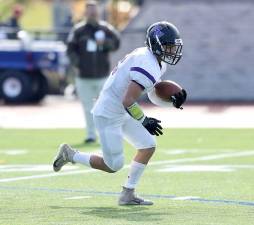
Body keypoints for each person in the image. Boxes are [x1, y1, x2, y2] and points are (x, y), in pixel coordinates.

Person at [53, 21, 187, 205]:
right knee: (113, 165)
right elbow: (128, 101)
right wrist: (145, 120)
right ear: (156, 44)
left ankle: (128, 194)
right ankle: (70, 154)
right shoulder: (147, 62)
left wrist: (171, 103)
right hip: (108, 114)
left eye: (173, 46)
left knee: (148, 145)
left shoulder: (154, 61)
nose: (172, 51)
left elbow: (150, 93)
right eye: (168, 46)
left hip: (122, 110)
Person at [67, 0, 120, 143]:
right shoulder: (78, 31)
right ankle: (91, 135)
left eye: (94, 11)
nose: (92, 14)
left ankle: (107, 134)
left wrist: (105, 44)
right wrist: (78, 64)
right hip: (83, 77)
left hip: (102, 75)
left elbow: (116, 43)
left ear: (98, 13)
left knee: (105, 106)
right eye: (89, 12)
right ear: (85, 13)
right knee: (87, 107)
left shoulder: (106, 28)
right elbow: (70, 50)